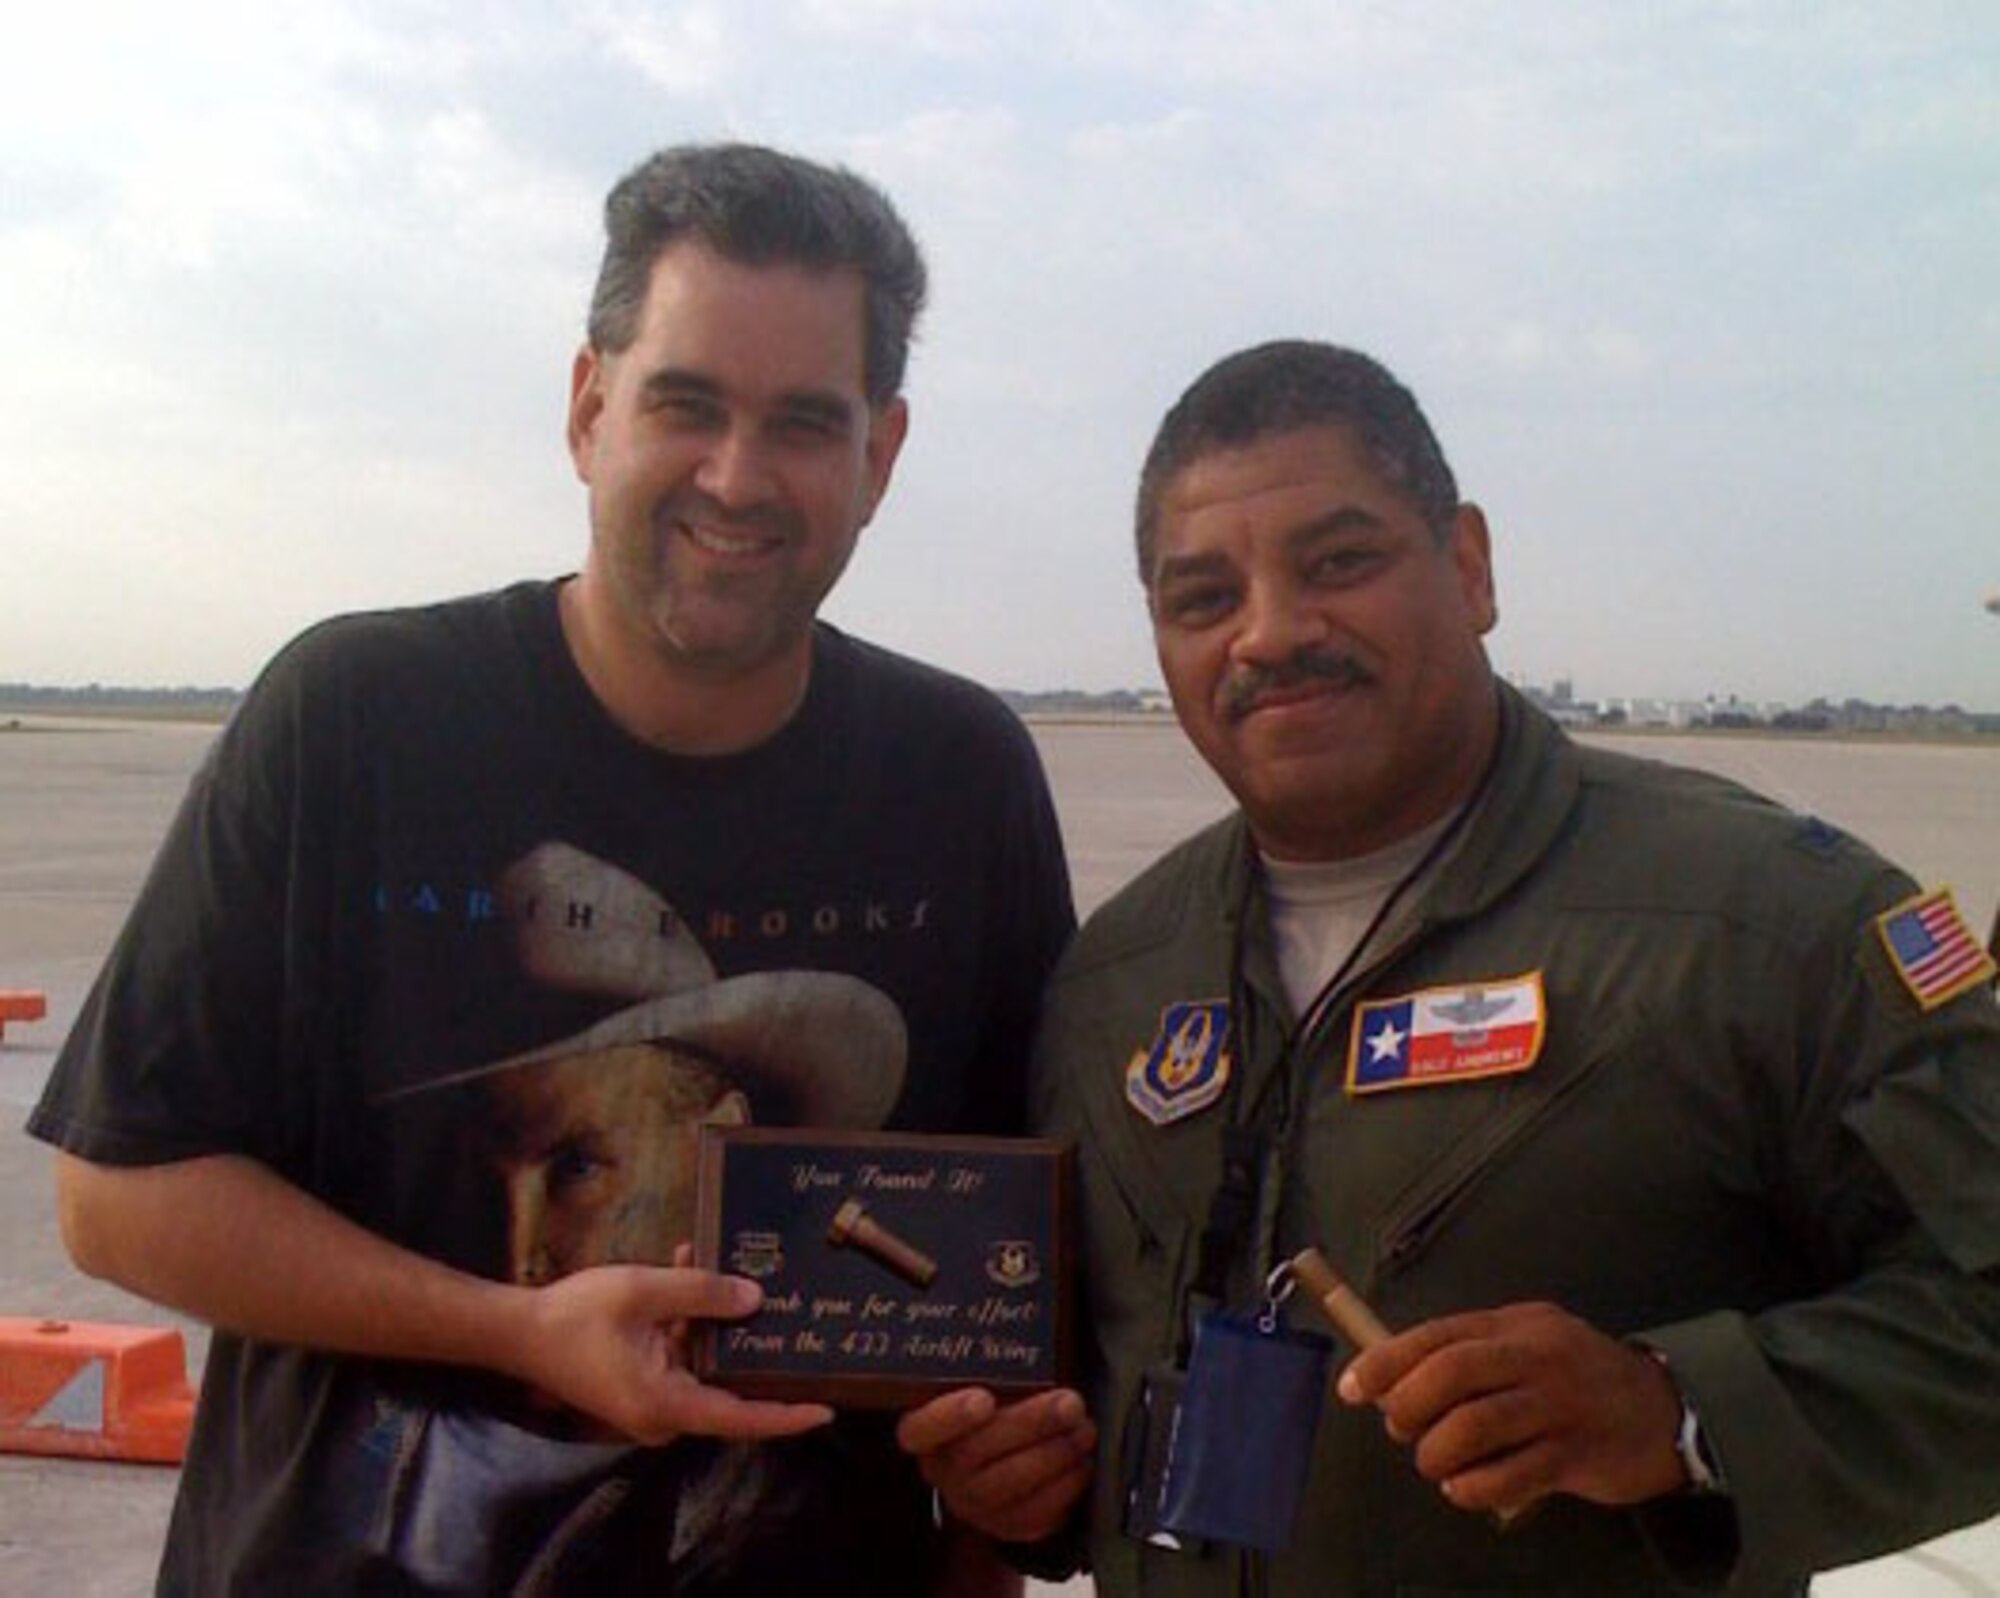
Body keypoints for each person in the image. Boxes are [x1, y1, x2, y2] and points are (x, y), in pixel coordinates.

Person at [29, 142, 1075, 1596]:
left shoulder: (959, 774)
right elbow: (119, 1194)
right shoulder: (354, 716)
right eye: (686, 405)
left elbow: (1007, 1271)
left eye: (801, 424)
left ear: (879, 456)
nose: (735, 476)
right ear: (590, 408)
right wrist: (511, 1327)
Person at [948, 339, 2000, 1594]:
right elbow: (1096, 1381)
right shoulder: (1114, 978)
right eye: (1201, 597)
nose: (1270, 632)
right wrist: (1030, 1488)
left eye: (1338, 562)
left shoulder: (1770, 927)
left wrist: (1672, 1412)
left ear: (1467, 566)